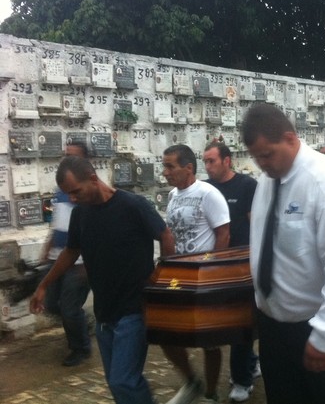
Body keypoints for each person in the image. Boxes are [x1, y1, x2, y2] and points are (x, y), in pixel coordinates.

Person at [241, 103, 325, 404]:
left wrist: (324, 335)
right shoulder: (267, 182)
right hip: (275, 327)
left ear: (290, 138)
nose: (262, 164)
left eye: (267, 154)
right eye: (256, 157)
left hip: (321, 329)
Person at [30, 156, 175, 404]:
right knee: (116, 383)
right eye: (69, 194)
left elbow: (165, 236)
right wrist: (44, 284)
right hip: (104, 313)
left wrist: (161, 279)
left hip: (134, 310)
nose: (73, 199)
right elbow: (70, 252)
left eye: (76, 191)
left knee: (124, 380)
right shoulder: (81, 215)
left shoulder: (132, 205)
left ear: (94, 179)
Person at [161, 144, 231, 404]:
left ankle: (210, 394)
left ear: (188, 168)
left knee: (209, 340)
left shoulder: (208, 194)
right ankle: (192, 381)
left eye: (170, 166)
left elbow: (223, 233)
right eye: (164, 166)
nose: (165, 172)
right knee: (167, 333)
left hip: (203, 277)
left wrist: (215, 269)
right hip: (178, 276)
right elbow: (169, 233)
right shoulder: (172, 196)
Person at [203, 142, 260, 402]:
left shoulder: (247, 186)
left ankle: (241, 380)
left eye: (212, 160)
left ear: (227, 161)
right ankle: (251, 362)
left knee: (240, 323)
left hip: (241, 265)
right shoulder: (205, 188)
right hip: (214, 265)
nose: (208, 166)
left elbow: (255, 224)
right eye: (205, 161)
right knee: (225, 323)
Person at [39, 142, 91, 367]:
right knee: (51, 304)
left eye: (72, 156)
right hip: (58, 258)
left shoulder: (89, 193)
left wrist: (87, 264)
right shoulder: (61, 190)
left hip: (79, 262)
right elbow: (57, 222)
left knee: (69, 308)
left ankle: (80, 348)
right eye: (65, 155)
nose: (66, 160)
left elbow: (94, 232)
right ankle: (81, 323)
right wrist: (48, 247)